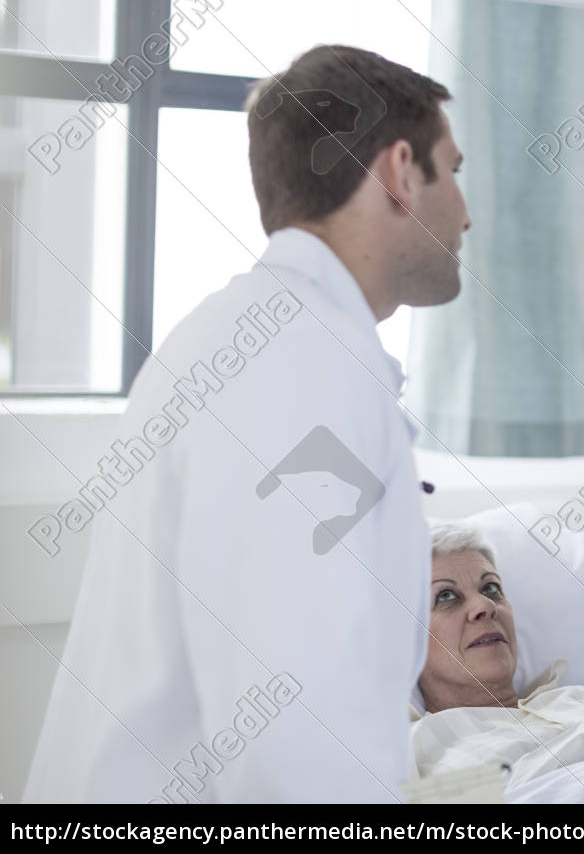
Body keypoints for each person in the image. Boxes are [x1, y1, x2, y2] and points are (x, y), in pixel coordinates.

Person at [24, 45, 470, 803]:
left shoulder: (245, 334)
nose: (465, 208)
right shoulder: (305, 362)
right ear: (400, 171)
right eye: (453, 170)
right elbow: (296, 725)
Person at [411, 522, 584, 789]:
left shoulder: (574, 698)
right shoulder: (420, 744)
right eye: (445, 596)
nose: (485, 605)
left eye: (491, 588)